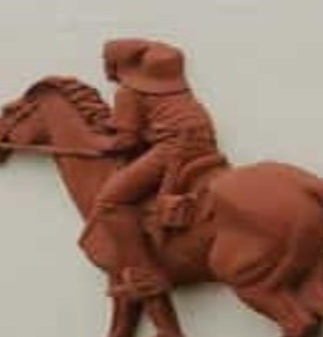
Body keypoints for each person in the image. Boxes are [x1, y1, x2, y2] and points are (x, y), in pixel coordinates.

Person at [90, 39, 224, 302]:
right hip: (202, 145)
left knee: (110, 202)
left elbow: (127, 141)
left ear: (118, 64)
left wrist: (95, 143)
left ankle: (145, 275)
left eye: (107, 61)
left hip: (172, 150)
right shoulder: (172, 87)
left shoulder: (128, 92)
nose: (105, 67)